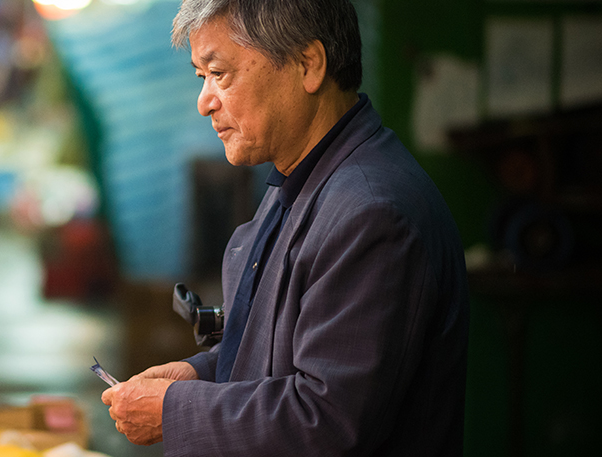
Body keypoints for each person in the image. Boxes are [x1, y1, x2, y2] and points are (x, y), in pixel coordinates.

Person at [100, 0, 470, 455]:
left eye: (220, 74)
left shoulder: (371, 214)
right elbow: (288, 353)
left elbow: (326, 419)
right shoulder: (301, 181)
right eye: (202, 77)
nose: (204, 103)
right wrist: (202, 373)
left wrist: (175, 409)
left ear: (307, 64)